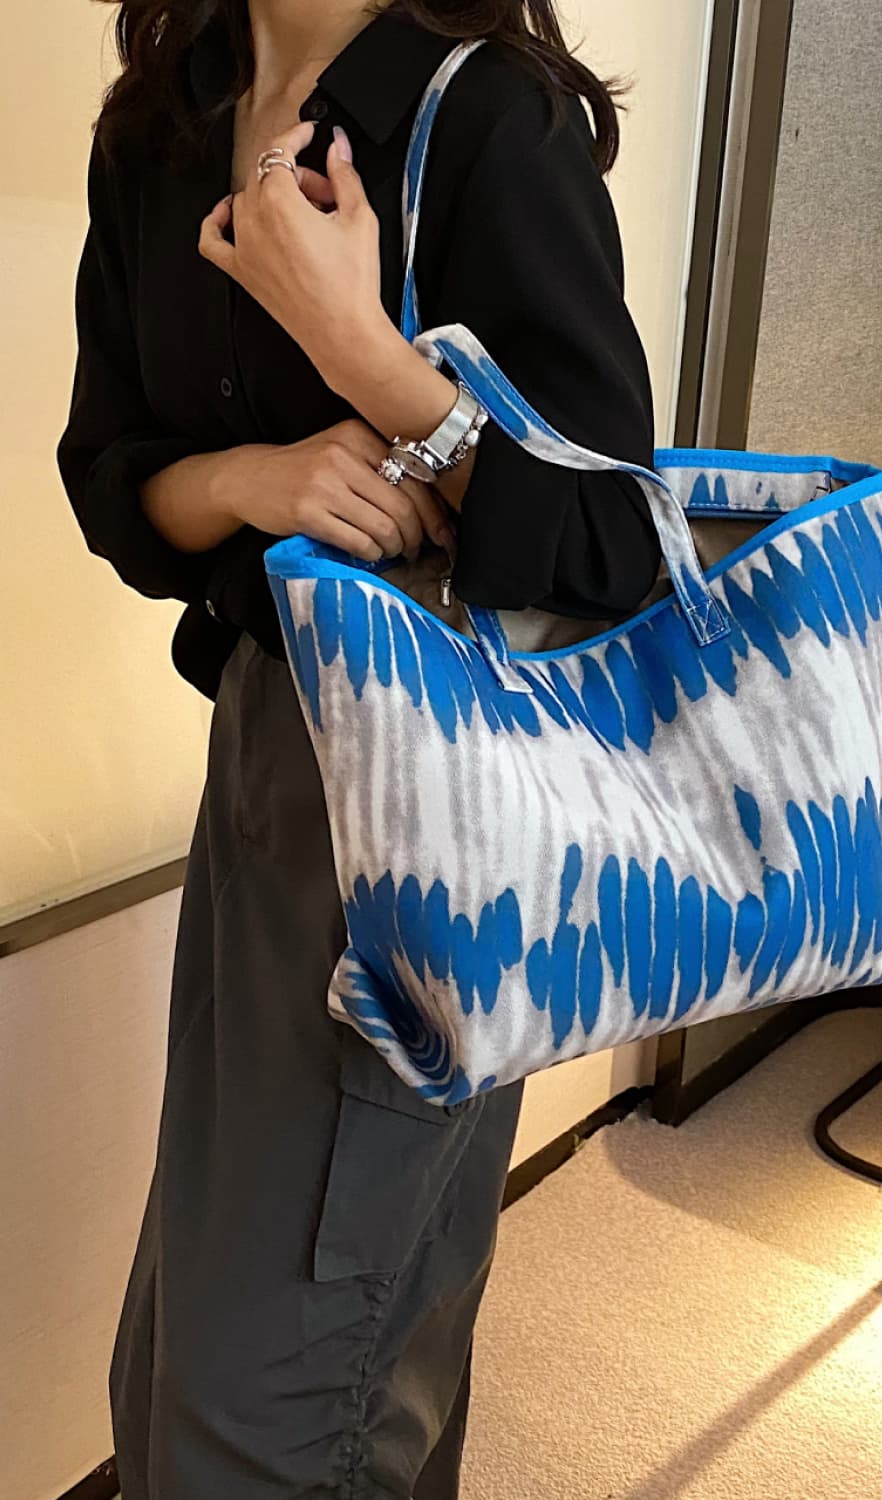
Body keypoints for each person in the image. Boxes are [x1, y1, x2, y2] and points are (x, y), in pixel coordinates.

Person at [57, 1, 661, 1494]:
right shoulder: (164, 123)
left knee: (284, 1390)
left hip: (446, 793)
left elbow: (617, 540)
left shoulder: (488, 116)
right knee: (201, 1347)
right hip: (269, 758)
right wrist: (254, 478)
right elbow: (111, 476)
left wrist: (361, 351)